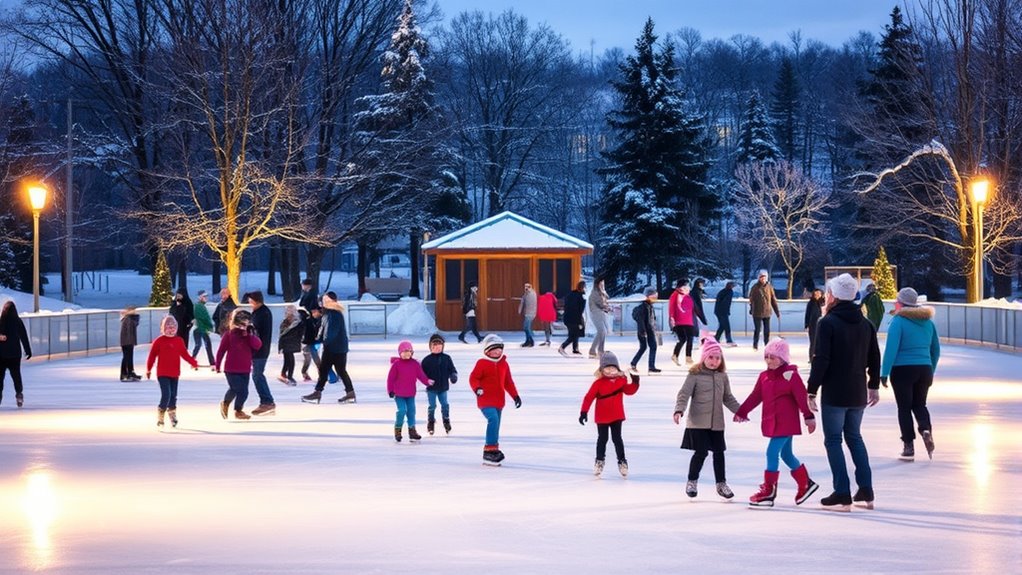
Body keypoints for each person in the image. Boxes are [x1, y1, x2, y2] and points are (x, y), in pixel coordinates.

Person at [807, 273, 881, 512]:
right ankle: (866, 489)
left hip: (836, 392)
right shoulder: (865, 323)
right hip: (858, 391)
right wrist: (873, 386)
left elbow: (821, 360)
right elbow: (875, 358)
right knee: (855, 438)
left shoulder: (827, 323)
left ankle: (842, 491)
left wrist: (811, 390)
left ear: (834, 296)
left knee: (833, 440)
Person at [734, 338, 819, 508]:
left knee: (771, 452)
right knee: (786, 455)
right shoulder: (764, 376)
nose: (769, 360)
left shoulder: (790, 375)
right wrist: (742, 411)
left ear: (783, 358)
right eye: (767, 356)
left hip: (786, 422)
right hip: (773, 421)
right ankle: (805, 483)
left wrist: (808, 416)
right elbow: (755, 396)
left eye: (774, 357)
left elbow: (802, 398)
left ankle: (769, 491)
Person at [673, 336, 740, 500]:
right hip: (698, 422)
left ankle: (721, 484)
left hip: (716, 423)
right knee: (701, 452)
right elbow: (684, 394)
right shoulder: (695, 374)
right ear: (704, 357)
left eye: (717, 358)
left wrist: (740, 411)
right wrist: (679, 410)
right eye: (711, 357)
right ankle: (692, 481)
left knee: (719, 453)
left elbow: (728, 397)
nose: (714, 361)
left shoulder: (722, 376)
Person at [880, 287, 940, 462]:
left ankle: (908, 447)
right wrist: (930, 369)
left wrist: (884, 372)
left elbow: (891, 349)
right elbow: (935, 350)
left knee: (904, 408)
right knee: (920, 404)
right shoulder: (929, 322)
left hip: (903, 370)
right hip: (924, 369)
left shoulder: (899, 321)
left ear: (901, 303)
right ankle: (925, 428)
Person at [580, 351, 639, 478]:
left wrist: (635, 382)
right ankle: (599, 461)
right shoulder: (598, 383)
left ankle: (622, 462)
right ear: (602, 369)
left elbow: (629, 391)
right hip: (602, 417)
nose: (610, 370)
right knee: (602, 439)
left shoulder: (621, 381)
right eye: (607, 368)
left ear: (617, 368)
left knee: (617, 439)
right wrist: (584, 412)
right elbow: (589, 397)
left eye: (613, 367)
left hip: (616, 415)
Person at [469, 334, 521, 465]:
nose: (497, 352)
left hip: (499, 401)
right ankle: (489, 448)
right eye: (493, 350)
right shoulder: (482, 363)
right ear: (487, 351)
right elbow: (473, 378)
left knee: (496, 424)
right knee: (493, 419)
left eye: (499, 349)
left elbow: (508, 382)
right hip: (485, 399)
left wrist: (515, 396)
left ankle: (493, 450)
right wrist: (477, 388)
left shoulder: (504, 364)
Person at [302, 291, 355, 404]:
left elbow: (331, 331)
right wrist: (319, 337)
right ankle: (350, 393)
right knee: (338, 370)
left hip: (333, 347)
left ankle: (318, 393)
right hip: (337, 347)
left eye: (325, 300)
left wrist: (324, 340)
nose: (322, 303)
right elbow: (323, 328)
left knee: (326, 370)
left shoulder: (333, 314)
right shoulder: (329, 313)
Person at [145, 316, 199, 427]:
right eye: (168, 327)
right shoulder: (159, 341)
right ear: (163, 328)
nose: (171, 330)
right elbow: (152, 356)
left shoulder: (178, 341)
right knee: (166, 394)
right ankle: (161, 413)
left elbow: (184, 354)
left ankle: (172, 414)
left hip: (174, 373)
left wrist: (193, 362)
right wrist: (148, 369)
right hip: (162, 373)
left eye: (173, 327)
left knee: (173, 395)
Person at [215, 309, 262, 420]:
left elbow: (258, 345)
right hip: (231, 369)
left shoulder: (249, 336)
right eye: (242, 324)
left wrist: (250, 335)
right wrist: (218, 364)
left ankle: (238, 410)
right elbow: (221, 350)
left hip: (245, 369)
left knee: (243, 392)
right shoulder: (229, 335)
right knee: (236, 388)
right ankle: (226, 403)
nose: (243, 327)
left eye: (246, 324)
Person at [387, 340, 433, 442]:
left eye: (409, 351)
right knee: (402, 410)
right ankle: (398, 429)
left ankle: (412, 431)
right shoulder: (396, 365)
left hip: (410, 393)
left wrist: (427, 382)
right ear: (400, 353)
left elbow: (421, 375)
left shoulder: (414, 364)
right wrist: (390, 390)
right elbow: (390, 378)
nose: (407, 353)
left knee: (411, 411)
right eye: (405, 351)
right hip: (399, 394)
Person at [420, 333, 458, 435]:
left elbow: (452, 369)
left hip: (443, 387)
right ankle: (431, 422)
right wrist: (425, 380)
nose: (437, 348)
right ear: (430, 347)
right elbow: (421, 373)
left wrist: (453, 375)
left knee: (445, 404)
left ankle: (446, 420)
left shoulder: (446, 358)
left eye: (439, 346)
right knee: (432, 405)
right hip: (431, 388)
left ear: (443, 347)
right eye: (434, 346)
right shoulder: (426, 360)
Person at [245, 291, 276, 416]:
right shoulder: (260, 312)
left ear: (256, 300)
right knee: (257, 375)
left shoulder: (262, 313)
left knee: (257, 375)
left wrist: (248, 329)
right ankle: (266, 401)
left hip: (260, 350)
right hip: (259, 349)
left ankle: (267, 401)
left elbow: (255, 331)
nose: (249, 303)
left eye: (250, 300)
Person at [0, 300, 32, 408]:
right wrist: (27, 350)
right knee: (16, 376)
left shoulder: (1, 322)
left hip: (2, 355)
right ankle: (19, 394)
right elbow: (24, 336)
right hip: (14, 355)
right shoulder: (17, 322)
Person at [630, 287, 661, 375]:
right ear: (648, 296)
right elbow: (641, 321)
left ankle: (634, 363)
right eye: (653, 297)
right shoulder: (644, 307)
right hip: (645, 331)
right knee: (651, 347)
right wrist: (643, 331)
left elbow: (651, 319)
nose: (655, 299)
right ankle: (650, 366)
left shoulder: (649, 306)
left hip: (648, 330)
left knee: (645, 347)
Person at [749, 270, 781, 350]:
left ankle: (767, 344)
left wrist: (777, 312)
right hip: (757, 312)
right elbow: (751, 299)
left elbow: (773, 300)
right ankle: (755, 345)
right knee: (757, 329)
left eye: (764, 277)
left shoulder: (769, 287)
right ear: (759, 278)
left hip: (767, 312)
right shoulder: (755, 287)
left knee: (767, 330)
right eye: (761, 277)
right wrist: (751, 308)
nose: (763, 279)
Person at [668, 279, 697, 365]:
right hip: (679, 321)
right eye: (685, 285)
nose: (687, 287)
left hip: (688, 320)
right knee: (683, 339)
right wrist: (672, 319)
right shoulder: (675, 295)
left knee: (690, 338)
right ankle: (676, 355)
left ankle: (688, 357)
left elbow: (692, 308)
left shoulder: (687, 295)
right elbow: (671, 307)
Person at [558, 280, 587, 357]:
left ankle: (575, 349)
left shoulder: (571, 294)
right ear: (583, 288)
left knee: (574, 333)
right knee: (574, 335)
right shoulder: (581, 297)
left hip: (567, 318)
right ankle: (562, 347)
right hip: (574, 318)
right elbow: (580, 310)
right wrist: (580, 321)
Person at [587, 277, 613, 359]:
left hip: (600, 313)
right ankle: (596, 350)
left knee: (602, 331)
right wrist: (607, 308)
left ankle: (597, 350)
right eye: (601, 283)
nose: (603, 285)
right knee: (601, 331)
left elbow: (603, 302)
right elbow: (600, 303)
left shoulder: (601, 292)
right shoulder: (595, 292)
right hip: (595, 313)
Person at [277, 304, 303, 386]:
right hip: (286, 343)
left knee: (290, 359)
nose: (289, 315)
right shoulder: (285, 322)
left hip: (292, 343)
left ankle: (287, 374)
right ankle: (285, 374)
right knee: (288, 360)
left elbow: (300, 333)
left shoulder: (298, 323)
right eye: (288, 313)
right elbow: (282, 334)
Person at [191, 290, 215, 366]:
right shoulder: (199, 306)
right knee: (205, 345)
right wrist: (210, 325)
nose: (206, 298)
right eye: (204, 296)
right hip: (202, 328)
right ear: (200, 297)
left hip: (201, 328)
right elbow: (205, 317)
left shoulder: (200, 305)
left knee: (199, 345)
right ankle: (212, 362)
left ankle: (192, 360)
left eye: (206, 296)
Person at [119, 305, 142, 381]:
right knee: (127, 357)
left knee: (127, 357)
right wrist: (130, 341)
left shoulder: (128, 319)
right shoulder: (128, 319)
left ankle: (128, 373)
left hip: (127, 341)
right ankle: (127, 374)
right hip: (127, 341)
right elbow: (129, 331)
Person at [713, 281, 737, 347]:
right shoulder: (729, 292)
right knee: (726, 326)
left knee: (722, 326)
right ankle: (728, 340)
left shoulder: (723, 291)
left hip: (719, 311)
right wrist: (726, 311)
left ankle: (716, 338)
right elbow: (725, 302)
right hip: (722, 312)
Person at [804, 288, 824, 361]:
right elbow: (807, 314)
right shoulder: (811, 303)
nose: (817, 295)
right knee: (813, 342)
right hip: (813, 325)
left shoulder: (823, 302)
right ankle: (811, 358)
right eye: (816, 294)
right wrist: (806, 325)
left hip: (823, 325)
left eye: (819, 294)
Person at [518, 282, 537, 347]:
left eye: (527, 287)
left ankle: (530, 341)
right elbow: (522, 302)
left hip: (530, 313)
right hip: (528, 313)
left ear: (530, 287)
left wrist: (520, 310)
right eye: (525, 287)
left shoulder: (531, 294)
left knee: (526, 327)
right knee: (526, 327)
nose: (526, 288)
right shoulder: (526, 294)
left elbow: (525, 302)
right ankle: (528, 340)